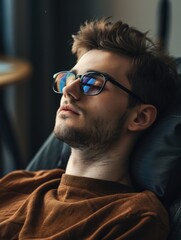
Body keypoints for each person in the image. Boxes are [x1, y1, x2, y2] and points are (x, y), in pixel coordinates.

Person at [0, 18, 178, 240]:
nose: (69, 90)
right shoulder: (17, 183)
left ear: (140, 117)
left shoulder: (133, 219)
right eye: (69, 78)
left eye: (93, 83)